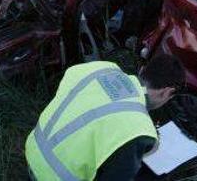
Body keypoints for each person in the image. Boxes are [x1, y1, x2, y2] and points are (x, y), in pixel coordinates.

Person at [25, 54, 185, 181]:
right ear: (167, 92)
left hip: (34, 151)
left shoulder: (101, 68)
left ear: (143, 70)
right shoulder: (139, 130)